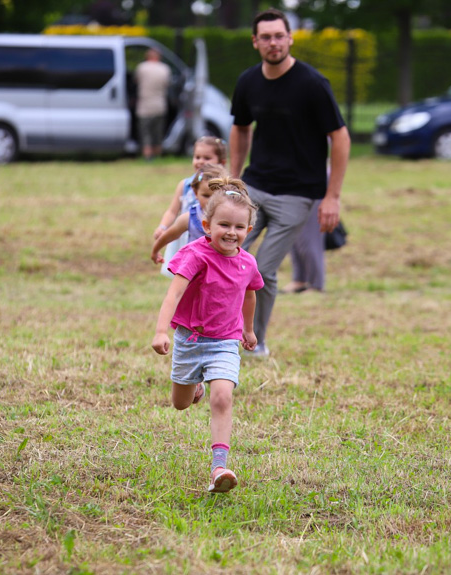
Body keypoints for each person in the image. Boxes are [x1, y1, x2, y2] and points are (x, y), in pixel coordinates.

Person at [229, 8, 351, 356]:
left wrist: (332, 197)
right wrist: (233, 179)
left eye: (279, 36)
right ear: (255, 42)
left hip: (298, 195)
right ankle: (218, 334)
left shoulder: (313, 84)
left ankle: (256, 343)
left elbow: (340, 138)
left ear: (290, 38)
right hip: (255, 186)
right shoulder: (248, 81)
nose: (273, 43)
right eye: (265, 37)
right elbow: (240, 128)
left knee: (262, 271)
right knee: (224, 253)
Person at [152, 177, 263, 494]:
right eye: (224, 224)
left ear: (248, 231)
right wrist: (162, 331)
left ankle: (219, 468)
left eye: (239, 227)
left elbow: (251, 294)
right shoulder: (194, 255)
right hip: (189, 340)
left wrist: (249, 328)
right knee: (180, 403)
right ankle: (194, 385)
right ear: (206, 224)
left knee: (223, 396)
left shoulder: (247, 263)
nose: (231, 232)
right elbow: (173, 295)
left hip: (225, 342)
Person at [150, 164, 228, 264]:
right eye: (206, 196)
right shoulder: (190, 218)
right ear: (196, 193)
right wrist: (155, 251)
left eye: (216, 195)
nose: (211, 201)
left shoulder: (230, 219)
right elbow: (169, 235)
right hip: (194, 270)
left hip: (220, 269)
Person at [134, 48, 171, 161]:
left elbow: (135, 81)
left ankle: (147, 157)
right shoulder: (165, 69)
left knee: (145, 133)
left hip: (144, 106)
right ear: (158, 57)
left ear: (147, 56)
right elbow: (167, 85)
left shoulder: (141, 68)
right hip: (159, 106)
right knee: (157, 133)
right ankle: (158, 156)